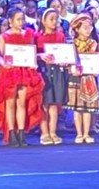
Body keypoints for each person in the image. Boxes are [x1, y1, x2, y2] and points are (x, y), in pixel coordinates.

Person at [0, 8, 44, 146]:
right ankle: (11, 133)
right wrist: (3, 63)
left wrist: (33, 62)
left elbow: (30, 52)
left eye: (22, 19)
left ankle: (21, 133)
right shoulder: (4, 36)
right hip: (9, 72)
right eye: (18, 19)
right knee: (10, 102)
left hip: (24, 71)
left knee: (21, 102)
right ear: (10, 20)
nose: (21, 22)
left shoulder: (28, 34)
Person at [36, 9, 69, 145]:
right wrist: (40, 56)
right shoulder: (37, 36)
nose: (54, 22)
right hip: (43, 71)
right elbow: (32, 53)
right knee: (44, 103)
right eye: (51, 19)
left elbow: (64, 53)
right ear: (43, 21)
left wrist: (65, 60)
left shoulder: (60, 36)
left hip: (56, 71)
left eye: (56, 19)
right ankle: (44, 133)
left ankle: (53, 131)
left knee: (54, 103)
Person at [66, 14, 99, 143]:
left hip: (88, 77)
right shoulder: (72, 44)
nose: (88, 30)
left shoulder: (93, 43)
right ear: (77, 29)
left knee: (87, 107)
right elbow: (69, 61)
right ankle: (79, 133)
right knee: (77, 107)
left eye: (90, 27)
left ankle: (86, 133)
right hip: (76, 77)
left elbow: (95, 59)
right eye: (84, 27)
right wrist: (71, 67)